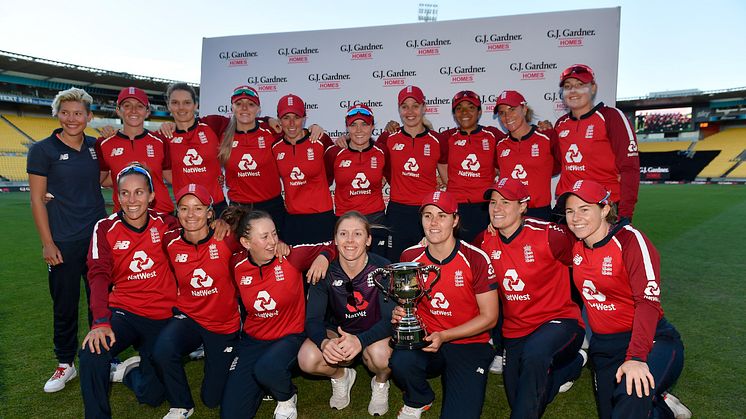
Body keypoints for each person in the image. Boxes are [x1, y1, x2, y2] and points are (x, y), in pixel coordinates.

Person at [558, 180, 691, 419]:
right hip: (604, 347)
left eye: (584, 209)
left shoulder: (630, 241)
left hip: (650, 341)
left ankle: (651, 397)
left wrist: (637, 358)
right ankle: (660, 405)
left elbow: (647, 303)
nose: (575, 217)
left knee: (629, 404)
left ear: (605, 208)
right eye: (570, 210)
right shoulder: (573, 243)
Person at [476, 178, 585, 418]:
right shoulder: (484, 240)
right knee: (525, 397)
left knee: (536, 356)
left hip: (559, 321)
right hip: (515, 331)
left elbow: (586, 257)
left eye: (505, 202)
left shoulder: (549, 235)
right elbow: (461, 260)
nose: (497, 208)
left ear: (523, 206)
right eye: (493, 202)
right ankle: (572, 366)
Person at [79, 164, 178, 418]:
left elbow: (198, 245)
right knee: (93, 351)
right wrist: (100, 321)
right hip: (124, 312)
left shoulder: (167, 224)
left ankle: (131, 372)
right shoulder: (104, 228)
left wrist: (220, 224)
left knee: (152, 396)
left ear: (151, 195)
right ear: (118, 196)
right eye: (124, 193)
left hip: (162, 316)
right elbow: (98, 275)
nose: (131, 200)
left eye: (139, 192)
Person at [390, 191, 498, 419]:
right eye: (428, 216)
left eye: (442, 215)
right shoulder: (410, 256)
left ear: (455, 220)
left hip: (469, 342)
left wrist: (445, 336)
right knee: (401, 361)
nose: (434, 223)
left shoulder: (475, 258)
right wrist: (401, 313)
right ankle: (419, 398)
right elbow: (405, 301)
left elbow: (490, 317)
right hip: (427, 340)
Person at [27, 87, 108, 392]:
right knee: (64, 304)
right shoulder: (42, 149)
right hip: (62, 240)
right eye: (66, 112)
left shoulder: (95, 146)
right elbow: (36, 199)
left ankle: (103, 356)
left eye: (78, 113)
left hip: (98, 239)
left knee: (100, 301)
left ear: (88, 116)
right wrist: (48, 243)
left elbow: (102, 178)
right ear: (57, 114)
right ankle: (65, 363)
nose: (72, 118)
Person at [220, 208, 335, 419]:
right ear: (246, 243)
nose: (273, 241)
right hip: (254, 340)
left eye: (274, 233)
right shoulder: (236, 264)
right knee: (231, 414)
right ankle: (265, 384)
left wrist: (323, 257)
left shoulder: (291, 257)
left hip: (291, 335)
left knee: (267, 368)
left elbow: (334, 244)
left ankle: (286, 396)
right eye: (264, 237)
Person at [151, 184, 240, 418]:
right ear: (177, 212)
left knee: (212, 399)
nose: (191, 215)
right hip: (189, 317)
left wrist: (226, 221)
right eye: (184, 208)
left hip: (222, 324)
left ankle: (236, 354)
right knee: (162, 349)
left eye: (198, 208)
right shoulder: (169, 240)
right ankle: (181, 405)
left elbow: (254, 235)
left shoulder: (227, 239)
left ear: (210, 212)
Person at [298, 211, 395, 416]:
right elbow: (313, 319)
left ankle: (380, 383)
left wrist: (361, 340)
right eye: (343, 234)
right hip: (340, 333)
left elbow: (390, 320)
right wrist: (325, 343)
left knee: (382, 357)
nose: (350, 240)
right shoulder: (324, 270)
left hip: (374, 336)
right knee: (307, 358)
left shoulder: (383, 269)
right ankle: (341, 376)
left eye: (358, 234)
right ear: (335, 239)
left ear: (368, 240)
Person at [554, 64, 640, 222]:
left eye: (580, 85)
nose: (573, 91)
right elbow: (556, 163)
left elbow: (630, 168)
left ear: (593, 88)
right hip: (568, 206)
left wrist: (625, 214)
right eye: (568, 86)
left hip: (603, 207)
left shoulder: (611, 117)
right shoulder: (560, 124)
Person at [378, 86, 447, 259]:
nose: (410, 111)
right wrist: (344, 138)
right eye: (404, 106)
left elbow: (449, 179)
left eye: (415, 106)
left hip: (427, 212)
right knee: (395, 263)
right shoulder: (388, 138)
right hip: (397, 213)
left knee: (429, 262)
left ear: (424, 108)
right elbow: (362, 146)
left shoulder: (437, 140)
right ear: (399, 109)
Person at [95, 87, 174, 214]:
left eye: (139, 106)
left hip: (161, 214)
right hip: (125, 216)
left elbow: (171, 176)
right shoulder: (104, 143)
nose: (133, 111)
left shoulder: (160, 140)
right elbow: (102, 180)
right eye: (127, 105)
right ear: (118, 110)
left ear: (147, 111)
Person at [324, 104, 389, 256]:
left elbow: (392, 176)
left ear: (372, 126)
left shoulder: (382, 151)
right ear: (346, 127)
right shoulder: (334, 153)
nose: (359, 130)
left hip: (376, 219)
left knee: (378, 268)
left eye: (364, 124)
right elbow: (324, 182)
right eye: (353, 125)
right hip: (345, 219)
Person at [272, 93, 335, 245]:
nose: (292, 123)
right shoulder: (275, 146)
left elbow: (338, 163)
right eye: (286, 117)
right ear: (279, 120)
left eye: (297, 117)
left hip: (321, 218)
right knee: (295, 268)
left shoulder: (320, 140)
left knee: (325, 267)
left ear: (305, 118)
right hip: (293, 220)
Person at [439, 90, 500, 243]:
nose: (465, 112)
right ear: (454, 114)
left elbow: (508, 157)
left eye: (471, 107)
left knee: (487, 253)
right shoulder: (447, 137)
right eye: (459, 108)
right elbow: (440, 163)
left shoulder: (492, 135)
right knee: (460, 254)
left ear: (479, 112)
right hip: (456, 208)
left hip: (485, 208)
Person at [163, 83, 228, 216]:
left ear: (195, 105)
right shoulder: (164, 137)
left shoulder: (212, 124)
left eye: (187, 102)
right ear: (168, 106)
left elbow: (243, 120)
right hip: (187, 210)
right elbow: (167, 172)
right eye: (175, 102)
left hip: (217, 207)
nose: (181, 108)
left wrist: (268, 120)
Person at [494, 90, 560, 221]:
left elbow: (557, 167)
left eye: (512, 109)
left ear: (524, 109)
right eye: (502, 112)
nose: (507, 116)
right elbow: (496, 172)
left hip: (539, 212)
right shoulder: (499, 144)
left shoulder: (546, 136)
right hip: (509, 213)